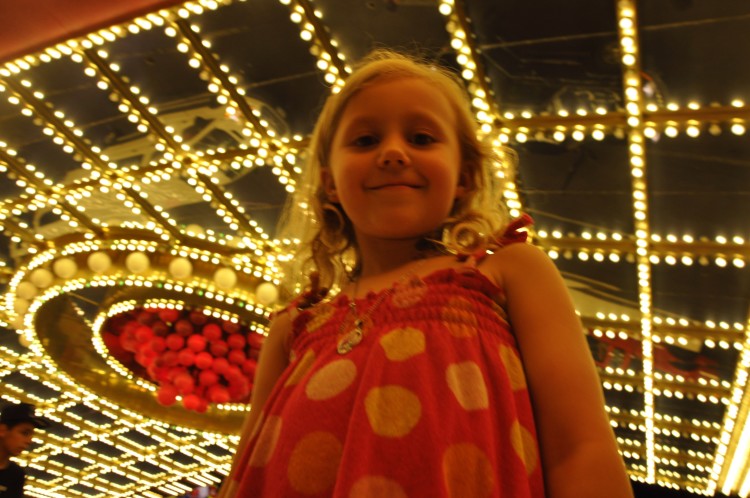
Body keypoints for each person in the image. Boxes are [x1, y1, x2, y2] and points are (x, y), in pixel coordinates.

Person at [219, 49, 634, 497]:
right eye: (364, 140)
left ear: (465, 177)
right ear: (330, 183)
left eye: (420, 138)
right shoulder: (292, 328)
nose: (393, 152)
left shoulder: (506, 270)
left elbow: (580, 446)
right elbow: (246, 475)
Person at [0, 402, 47, 498]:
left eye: (31, 435)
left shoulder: (16, 475)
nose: (29, 441)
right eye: (24, 433)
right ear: (3, 431)